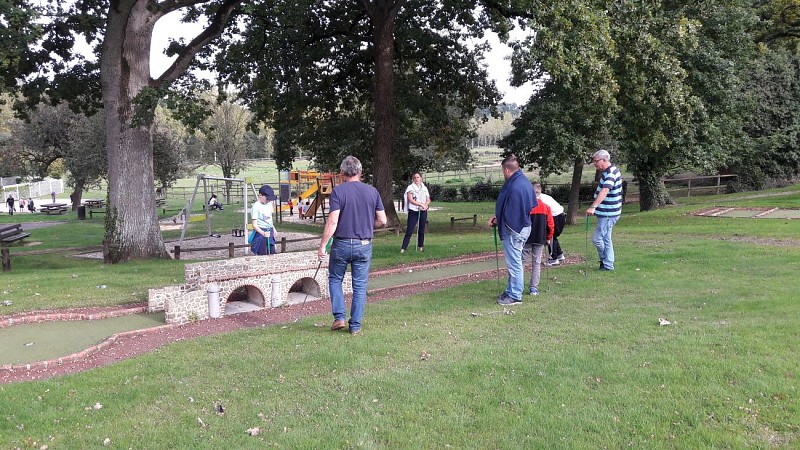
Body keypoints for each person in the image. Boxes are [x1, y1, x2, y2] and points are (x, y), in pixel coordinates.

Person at [318, 155, 387, 335]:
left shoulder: (338, 192)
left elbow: (333, 221)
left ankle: (339, 317)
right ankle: (355, 326)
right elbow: (383, 220)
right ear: (360, 171)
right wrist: (365, 224)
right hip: (364, 244)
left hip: (341, 244)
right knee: (360, 286)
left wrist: (323, 245)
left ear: (342, 173)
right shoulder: (373, 192)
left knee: (335, 279)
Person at [488, 155, 536, 305]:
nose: (503, 174)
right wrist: (498, 218)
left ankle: (515, 295)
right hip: (523, 226)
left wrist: (499, 221)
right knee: (514, 262)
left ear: (507, 170)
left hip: (515, 230)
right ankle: (510, 290)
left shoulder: (515, 186)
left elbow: (512, 212)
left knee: (514, 263)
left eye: (503, 171)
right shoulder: (524, 182)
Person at [586, 149, 623, 271]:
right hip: (608, 213)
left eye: (596, 161)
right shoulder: (608, 171)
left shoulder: (611, 173)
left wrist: (593, 207)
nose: (594, 164)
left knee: (597, 239)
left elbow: (605, 191)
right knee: (606, 238)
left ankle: (605, 260)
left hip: (609, 213)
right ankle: (608, 265)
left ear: (604, 160)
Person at [523, 183, 554, 296]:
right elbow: (551, 225)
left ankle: (518, 285)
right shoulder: (546, 207)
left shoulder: (525, 207)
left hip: (526, 238)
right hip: (540, 238)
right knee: (536, 263)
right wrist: (548, 238)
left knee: (521, 262)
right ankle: (533, 288)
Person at [400, 172, 430, 253]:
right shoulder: (410, 188)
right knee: (410, 230)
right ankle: (403, 248)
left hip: (422, 211)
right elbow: (410, 199)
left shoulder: (424, 188)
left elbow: (428, 199)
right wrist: (420, 204)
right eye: (415, 178)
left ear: (421, 178)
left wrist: (425, 205)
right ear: (413, 179)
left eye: (418, 177)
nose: (417, 179)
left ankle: (421, 246)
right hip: (413, 211)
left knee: (421, 229)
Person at [536, 186, 566, 265]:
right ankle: (559, 254)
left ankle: (553, 258)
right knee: (553, 237)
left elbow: (545, 213)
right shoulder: (541, 196)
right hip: (559, 215)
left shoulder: (541, 199)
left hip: (556, 216)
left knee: (550, 236)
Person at [251, 185, 278, 255]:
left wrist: (273, 228)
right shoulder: (256, 207)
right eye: (267, 198)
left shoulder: (269, 204)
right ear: (260, 195)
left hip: (270, 230)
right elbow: (254, 225)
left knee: (272, 252)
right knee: (263, 254)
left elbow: (270, 219)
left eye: (270, 199)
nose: (269, 200)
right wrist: (263, 233)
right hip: (261, 232)